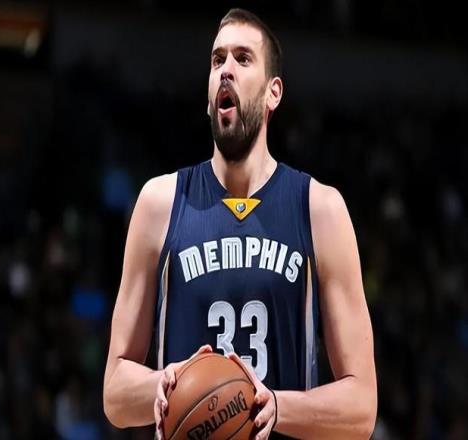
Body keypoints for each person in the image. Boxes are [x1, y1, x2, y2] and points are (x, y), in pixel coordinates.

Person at [103, 8, 377, 440]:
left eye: (243, 58)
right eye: (217, 60)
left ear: (273, 93)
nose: (225, 70)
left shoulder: (320, 209)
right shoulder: (159, 203)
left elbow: (361, 407)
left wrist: (277, 407)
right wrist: (166, 386)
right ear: (208, 96)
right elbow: (115, 393)